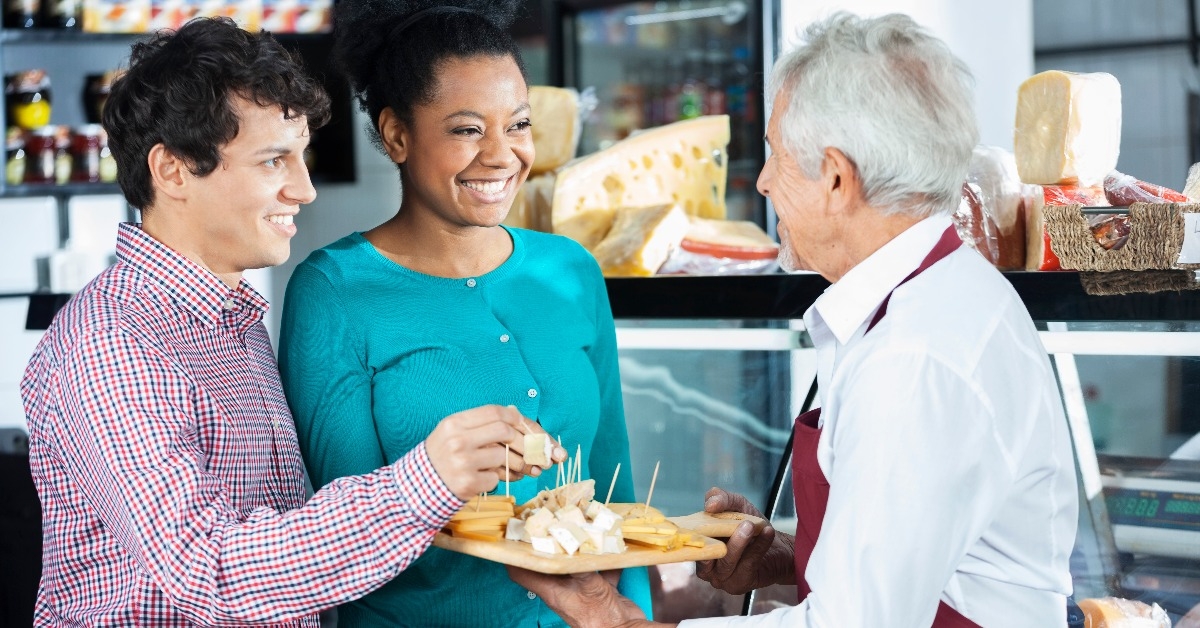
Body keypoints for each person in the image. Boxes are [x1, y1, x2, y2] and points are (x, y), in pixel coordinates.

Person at [509, 12, 1079, 628]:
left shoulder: (914, 359)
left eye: (777, 156)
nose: (760, 182)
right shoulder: (933, 294)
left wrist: (618, 621)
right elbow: (922, 550)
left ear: (836, 178)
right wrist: (784, 555)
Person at [20, 17, 558, 627]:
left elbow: (282, 545)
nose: (304, 190)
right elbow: (206, 568)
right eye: (274, 160)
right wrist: (425, 480)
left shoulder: (232, 319)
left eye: (300, 158)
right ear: (172, 171)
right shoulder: (111, 341)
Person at [276, 1, 653, 626]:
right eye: (467, 129)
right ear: (397, 134)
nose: (503, 155)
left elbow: (617, 492)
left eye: (519, 123)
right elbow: (339, 530)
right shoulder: (334, 292)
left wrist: (625, 616)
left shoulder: (572, 271)